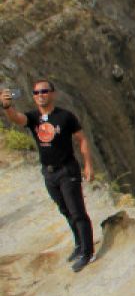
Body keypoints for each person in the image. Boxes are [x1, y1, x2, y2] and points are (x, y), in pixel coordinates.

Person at [1, 79, 96, 270]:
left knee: (77, 212)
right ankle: (79, 245)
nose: (40, 95)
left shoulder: (65, 117)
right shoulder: (34, 117)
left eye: (44, 91)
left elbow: (82, 139)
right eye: (36, 93)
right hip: (49, 173)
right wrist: (7, 106)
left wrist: (88, 165)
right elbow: (17, 119)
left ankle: (88, 252)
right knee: (65, 210)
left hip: (67, 169)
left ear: (53, 94)